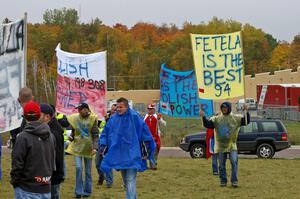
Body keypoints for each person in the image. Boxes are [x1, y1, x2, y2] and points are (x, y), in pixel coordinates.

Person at [99, 97, 156, 199]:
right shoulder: (113, 119)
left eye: (121, 107)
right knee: (127, 182)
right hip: (120, 156)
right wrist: (104, 149)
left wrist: (145, 152)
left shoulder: (135, 117)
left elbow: (144, 135)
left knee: (130, 181)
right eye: (117, 107)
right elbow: (107, 134)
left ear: (127, 107)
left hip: (133, 155)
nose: (118, 109)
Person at [10, 101, 56, 199]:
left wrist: (15, 181)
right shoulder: (51, 136)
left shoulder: (23, 137)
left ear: (25, 117)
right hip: (44, 188)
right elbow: (52, 162)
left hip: (26, 189)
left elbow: (17, 163)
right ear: (39, 115)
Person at [201, 102, 250, 187]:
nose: (224, 109)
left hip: (232, 145)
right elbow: (208, 124)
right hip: (221, 146)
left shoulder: (235, 118)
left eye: (226, 107)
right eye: (223, 107)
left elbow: (246, 122)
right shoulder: (217, 119)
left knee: (234, 162)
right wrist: (203, 116)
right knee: (221, 165)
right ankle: (223, 181)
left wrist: (246, 112)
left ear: (229, 108)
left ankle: (234, 181)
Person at [66, 103, 99, 198]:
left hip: (89, 148)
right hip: (77, 148)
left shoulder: (92, 119)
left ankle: (87, 191)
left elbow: (95, 135)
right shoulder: (75, 119)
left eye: (81, 109)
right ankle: (78, 192)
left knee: (88, 171)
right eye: (79, 109)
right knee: (78, 168)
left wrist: (95, 147)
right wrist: (70, 139)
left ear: (86, 109)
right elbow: (73, 133)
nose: (79, 111)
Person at [40, 104, 65, 199]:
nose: (37, 117)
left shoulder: (55, 133)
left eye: (39, 114)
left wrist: (57, 175)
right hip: (44, 172)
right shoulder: (45, 128)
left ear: (47, 117)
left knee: (53, 195)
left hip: (53, 174)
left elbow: (57, 156)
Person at [95, 104, 117, 187]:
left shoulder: (117, 120)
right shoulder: (105, 118)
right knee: (97, 164)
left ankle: (109, 182)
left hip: (110, 145)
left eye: (115, 110)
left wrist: (107, 120)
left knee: (108, 163)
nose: (113, 111)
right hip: (101, 143)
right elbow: (99, 127)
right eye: (112, 109)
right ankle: (101, 177)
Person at [144, 103, 166, 169]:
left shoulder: (157, 116)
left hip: (156, 137)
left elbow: (164, 124)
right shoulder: (146, 116)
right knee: (149, 151)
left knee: (155, 151)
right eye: (148, 109)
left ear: (154, 109)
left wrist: (159, 119)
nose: (149, 110)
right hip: (147, 137)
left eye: (151, 109)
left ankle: (153, 164)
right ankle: (152, 164)